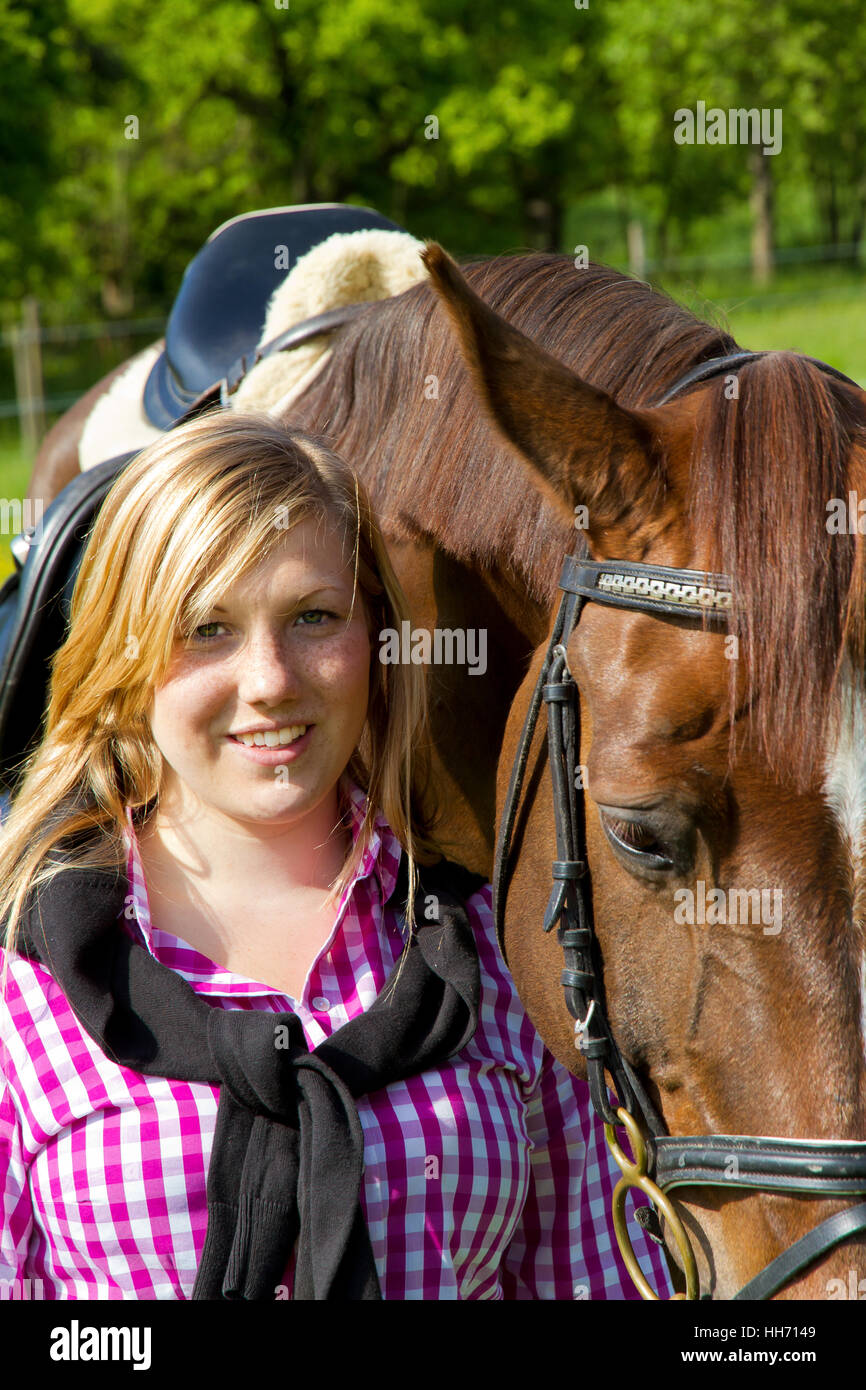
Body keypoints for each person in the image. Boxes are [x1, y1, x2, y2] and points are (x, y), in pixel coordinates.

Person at [0, 411, 672, 1301]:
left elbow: (590, 1283)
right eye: (207, 628)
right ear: (123, 657)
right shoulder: (21, 986)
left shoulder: (494, 952)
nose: (272, 677)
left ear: (376, 642)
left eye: (314, 616)